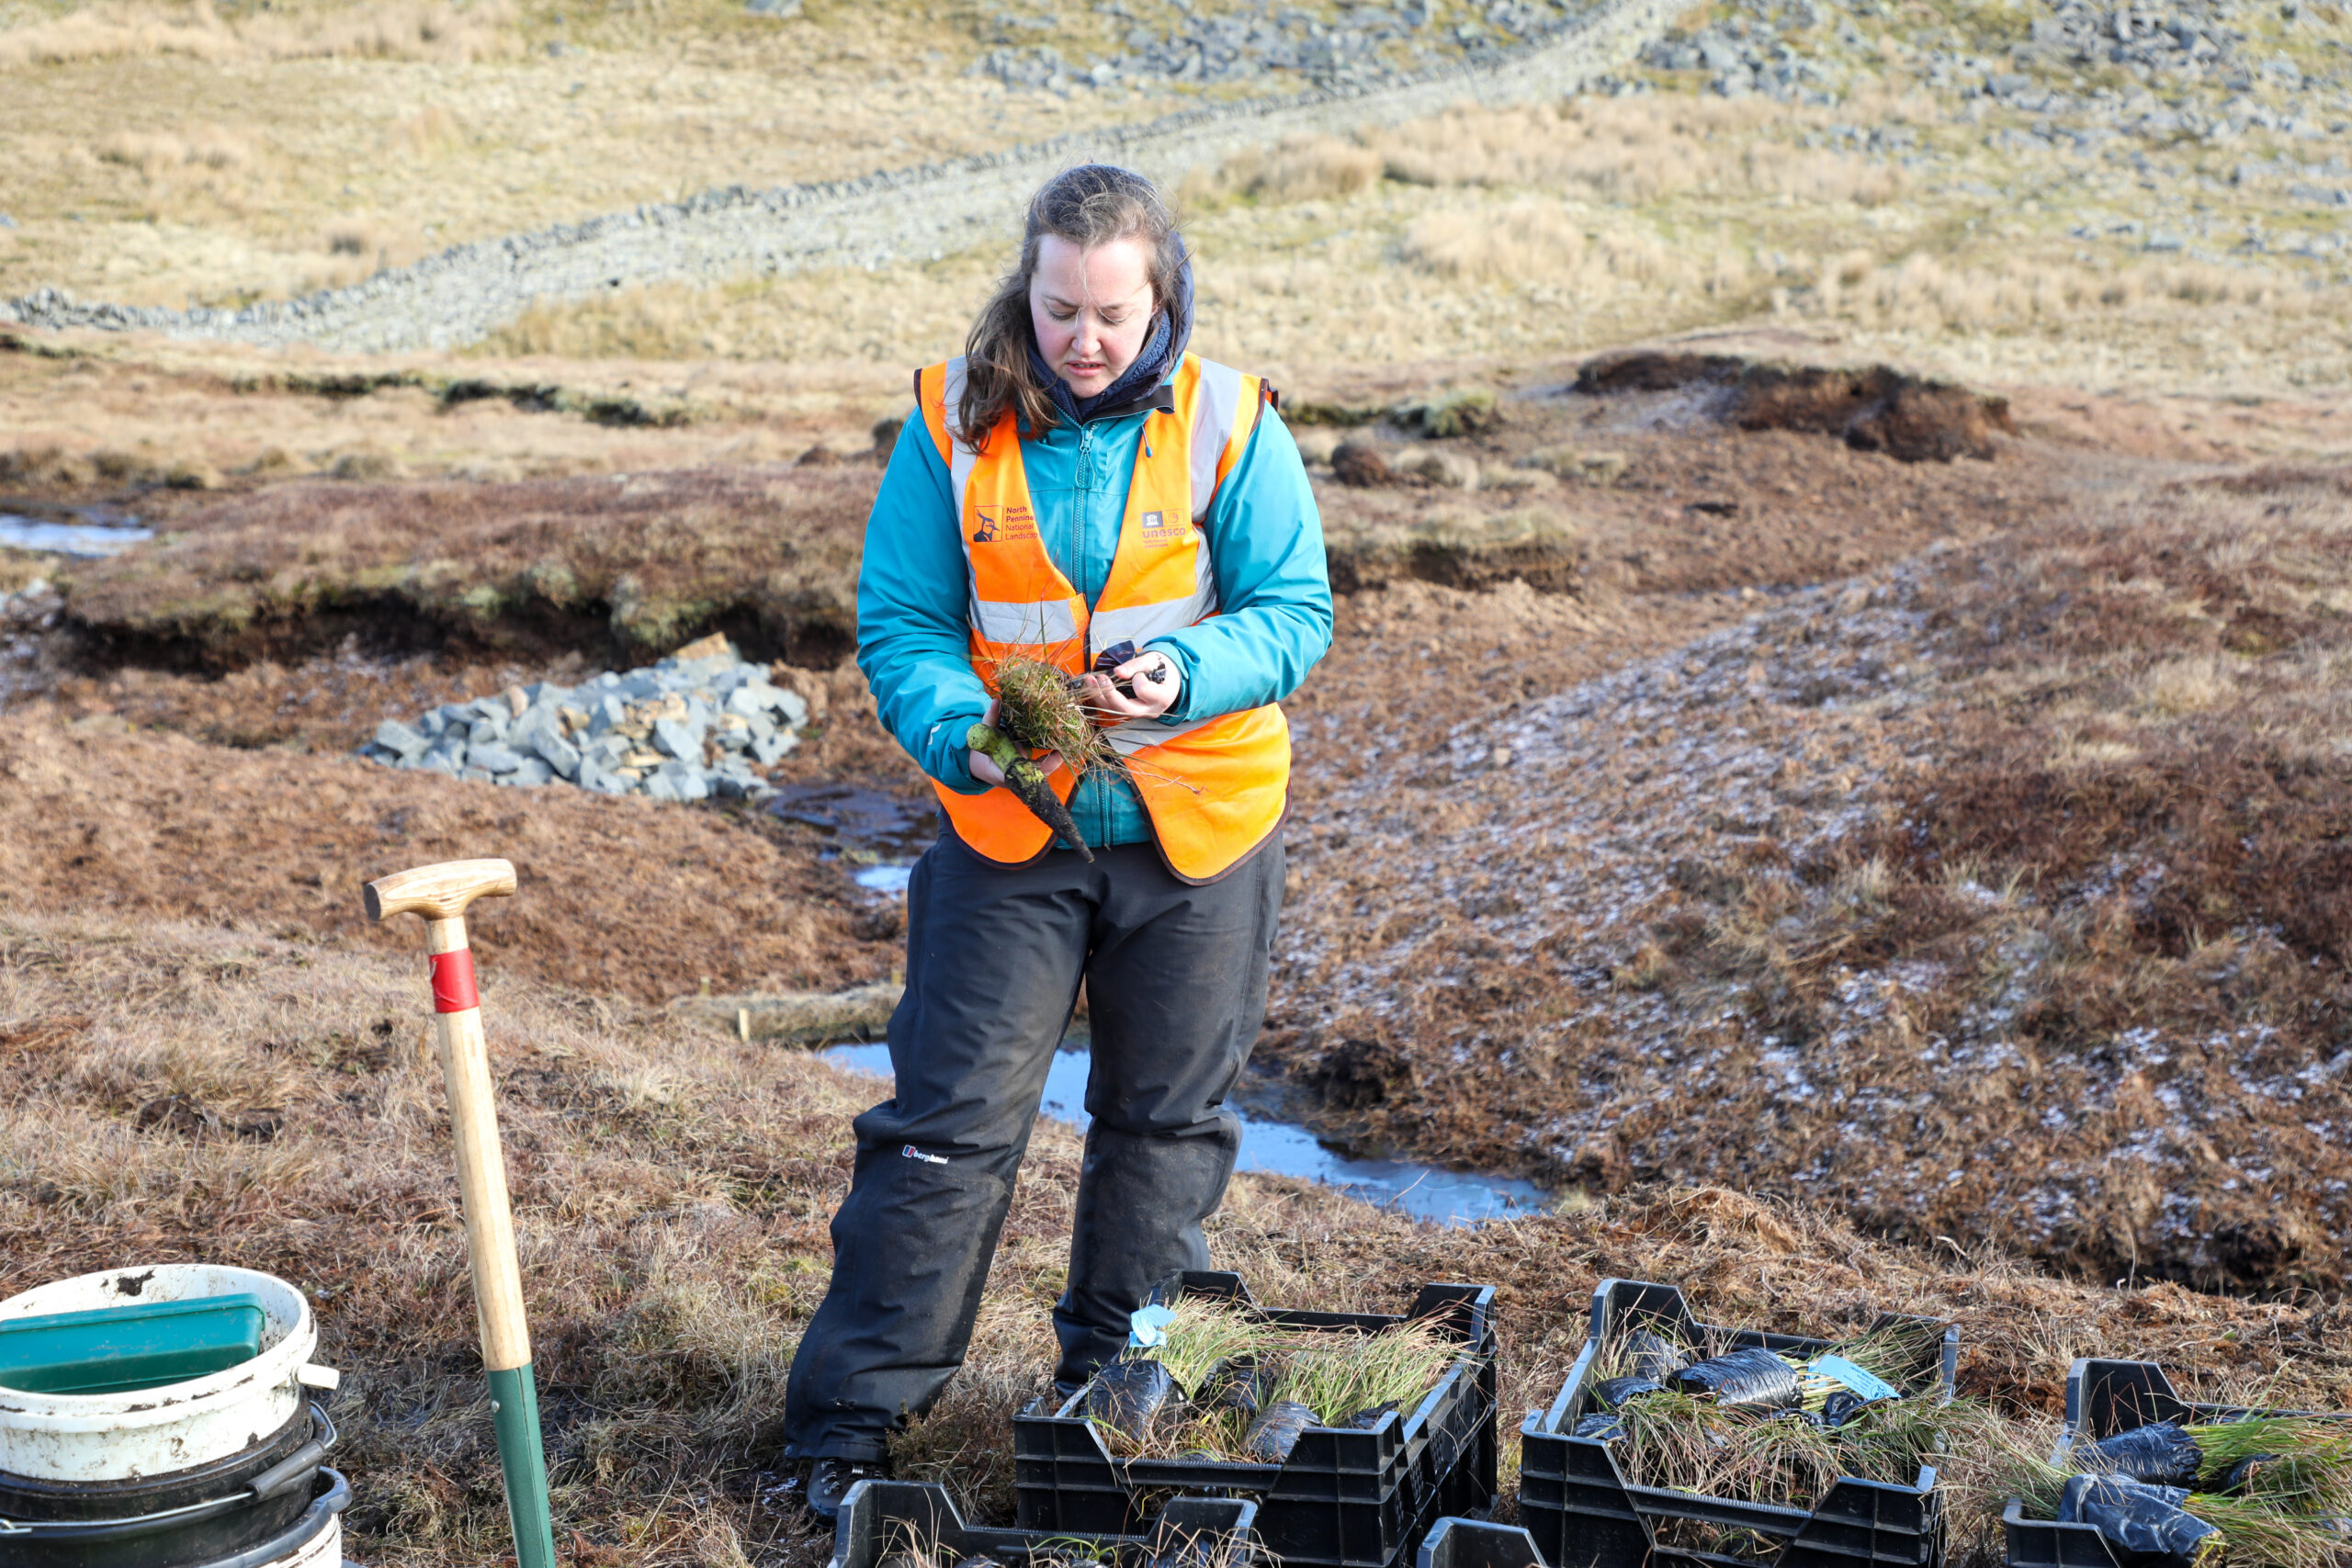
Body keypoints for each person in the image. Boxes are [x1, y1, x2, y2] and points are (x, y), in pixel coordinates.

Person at [779, 163, 1332, 1518]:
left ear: (1165, 298)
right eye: (1058, 309)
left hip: (1198, 836)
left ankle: (1116, 1394)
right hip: (1007, 831)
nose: (1083, 340)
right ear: (1023, 292)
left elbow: (1294, 613)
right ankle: (846, 1430)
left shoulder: (1230, 422)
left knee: (1164, 1132)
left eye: (1111, 314)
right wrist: (960, 729)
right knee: (945, 1131)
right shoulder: (951, 426)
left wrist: (1182, 676)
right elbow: (902, 625)